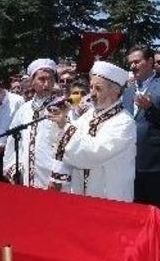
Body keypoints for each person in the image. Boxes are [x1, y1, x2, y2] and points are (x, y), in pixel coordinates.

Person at [48, 61, 136, 201]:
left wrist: (65, 126)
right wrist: (60, 124)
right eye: (91, 87)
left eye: (98, 89)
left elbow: (94, 153)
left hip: (110, 199)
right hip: (82, 197)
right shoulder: (88, 116)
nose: (92, 94)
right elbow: (62, 146)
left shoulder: (124, 122)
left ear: (116, 91)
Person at [122, 46, 160, 222]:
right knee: (137, 217)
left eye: (137, 61)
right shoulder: (127, 91)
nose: (133, 66)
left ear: (149, 62)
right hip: (131, 165)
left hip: (158, 165)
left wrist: (151, 107)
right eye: (131, 63)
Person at [4, 59, 60, 187]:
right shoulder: (24, 109)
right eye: (42, 79)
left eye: (50, 79)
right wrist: (14, 168)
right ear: (32, 82)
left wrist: (58, 177)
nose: (46, 83)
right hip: (27, 177)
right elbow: (13, 142)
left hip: (53, 180)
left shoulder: (63, 107)